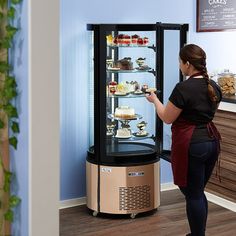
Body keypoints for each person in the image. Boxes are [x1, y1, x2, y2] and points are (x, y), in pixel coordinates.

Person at [146, 44, 222, 236]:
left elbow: (167, 117)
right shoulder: (214, 85)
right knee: (197, 192)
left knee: (192, 194)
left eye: (180, 62)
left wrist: (154, 100)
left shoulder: (183, 88)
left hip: (192, 145)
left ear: (188, 64)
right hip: (212, 142)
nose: (180, 66)